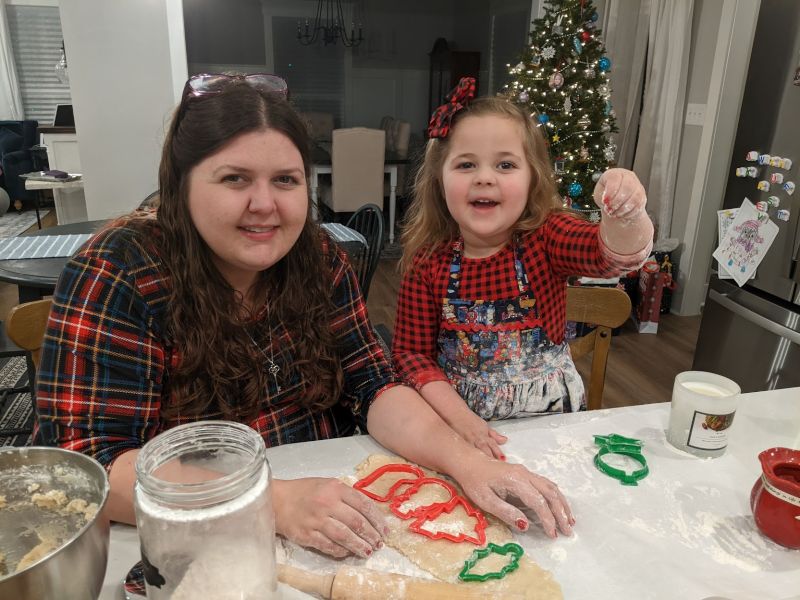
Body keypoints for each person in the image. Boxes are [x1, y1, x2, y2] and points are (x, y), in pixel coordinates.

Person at [35, 73, 575, 561]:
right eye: (235, 179)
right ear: (180, 184)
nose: (265, 204)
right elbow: (87, 467)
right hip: (197, 544)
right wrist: (267, 502)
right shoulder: (120, 271)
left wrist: (465, 462)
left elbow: (374, 384)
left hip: (336, 506)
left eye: (286, 181)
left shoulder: (320, 258)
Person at [393, 77, 654, 461]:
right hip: (460, 431)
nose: (485, 176)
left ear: (532, 177)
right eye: (466, 164)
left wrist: (626, 213)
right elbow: (411, 356)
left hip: (551, 428)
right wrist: (461, 420)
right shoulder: (427, 262)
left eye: (505, 164)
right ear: (439, 178)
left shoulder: (546, 238)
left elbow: (613, 256)